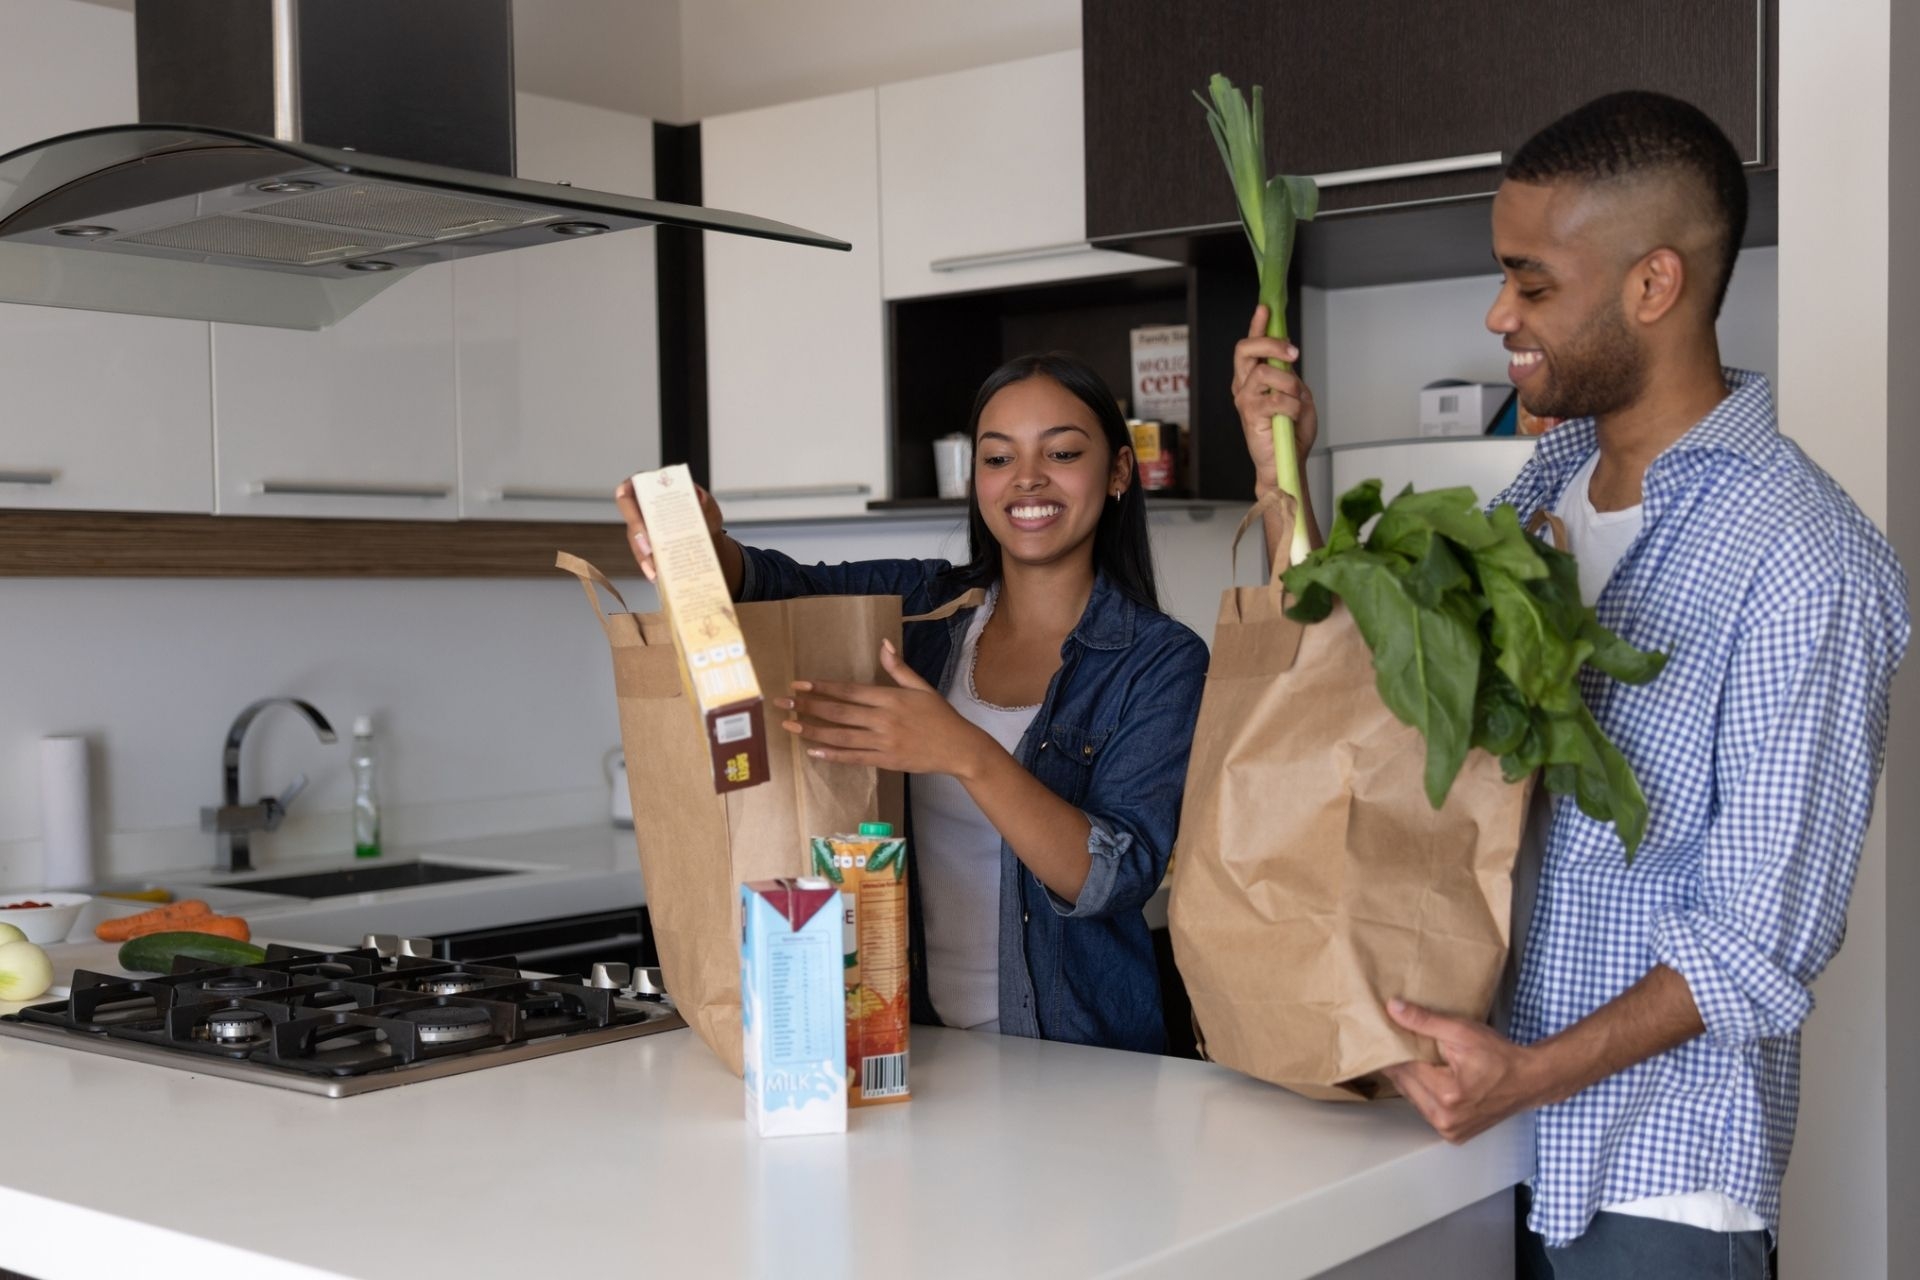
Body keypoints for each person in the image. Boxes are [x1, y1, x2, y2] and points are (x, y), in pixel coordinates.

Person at [1237, 90, 1909, 1276]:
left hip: (1652, 1183)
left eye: (1532, 283)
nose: (1498, 312)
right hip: (1474, 1148)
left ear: (1653, 285)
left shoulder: (1804, 558)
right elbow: (1372, 680)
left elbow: (1761, 935)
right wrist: (1277, 470)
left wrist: (1532, 1073)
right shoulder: (1534, 490)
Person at [615, 352, 1209, 1053]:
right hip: (914, 1047)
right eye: (997, 458)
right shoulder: (926, 609)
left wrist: (962, 751)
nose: (1026, 479)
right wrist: (707, 550)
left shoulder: (1161, 661)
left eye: (1063, 452)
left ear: (1116, 473)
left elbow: (1113, 877)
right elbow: (780, 587)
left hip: (1080, 1061)